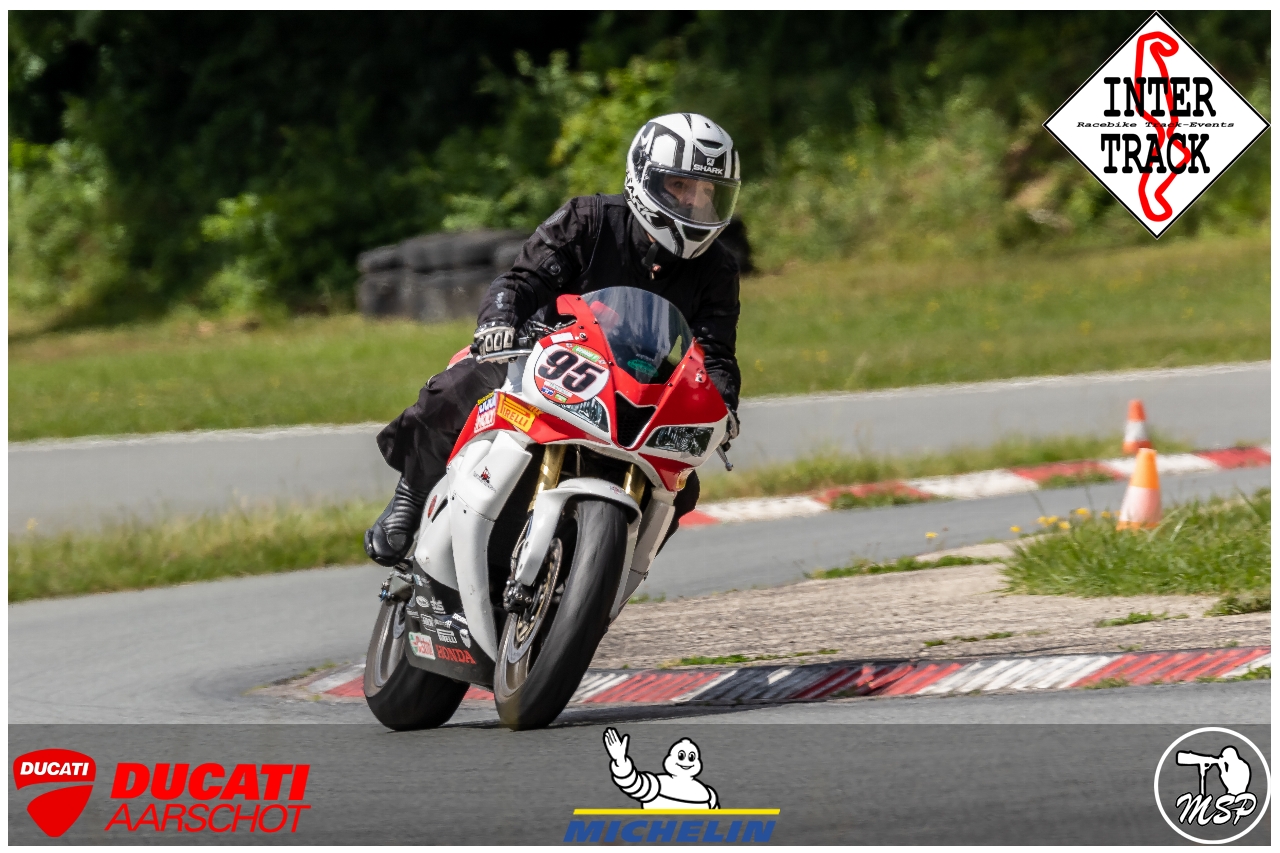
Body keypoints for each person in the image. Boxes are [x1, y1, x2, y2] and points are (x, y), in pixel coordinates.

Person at [365, 113, 744, 567]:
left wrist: (722, 406)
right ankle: (412, 490)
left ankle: (614, 574)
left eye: (707, 192)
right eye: (680, 186)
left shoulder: (718, 269)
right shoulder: (588, 219)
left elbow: (714, 354)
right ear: (644, 178)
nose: (694, 203)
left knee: (683, 487)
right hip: (546, 358)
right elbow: (521, 281)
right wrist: (499, 322)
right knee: (456, 386)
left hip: (638, 388)